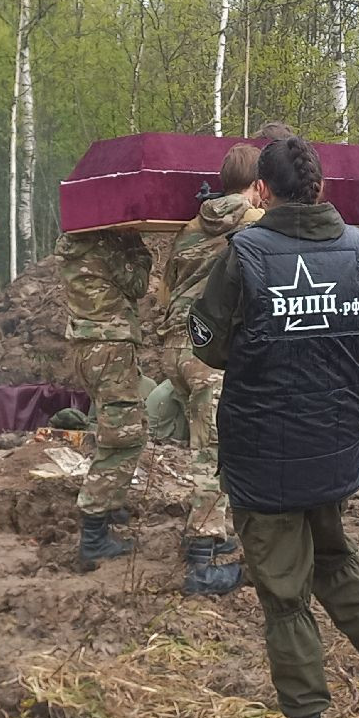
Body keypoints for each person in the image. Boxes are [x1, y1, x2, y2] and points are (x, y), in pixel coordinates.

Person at [190, 136, 359, 718]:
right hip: (331, 446)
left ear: (262, 192)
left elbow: (208, 344)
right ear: (322, 189)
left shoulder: (243, 252)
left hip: (262, 454)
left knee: (286, 599)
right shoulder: (358, 249)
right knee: (334, 558)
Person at [153, 142, 262, 596]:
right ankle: (204, 550)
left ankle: (207, 530)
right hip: (208, 352)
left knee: (207, 444)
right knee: (212, 450)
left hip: (174, 349)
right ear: (259, 185)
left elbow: (163, 292)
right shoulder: (256, 223)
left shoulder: (191, 225)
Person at [55, 225, 151, 569]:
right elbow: (137, 284)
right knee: (123, 438)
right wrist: (138, 248)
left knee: (121, 426)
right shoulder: (109, 245)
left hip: (87, 345)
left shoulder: (72, 243)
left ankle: (111, 506)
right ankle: (95, 530)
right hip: (110, 346)